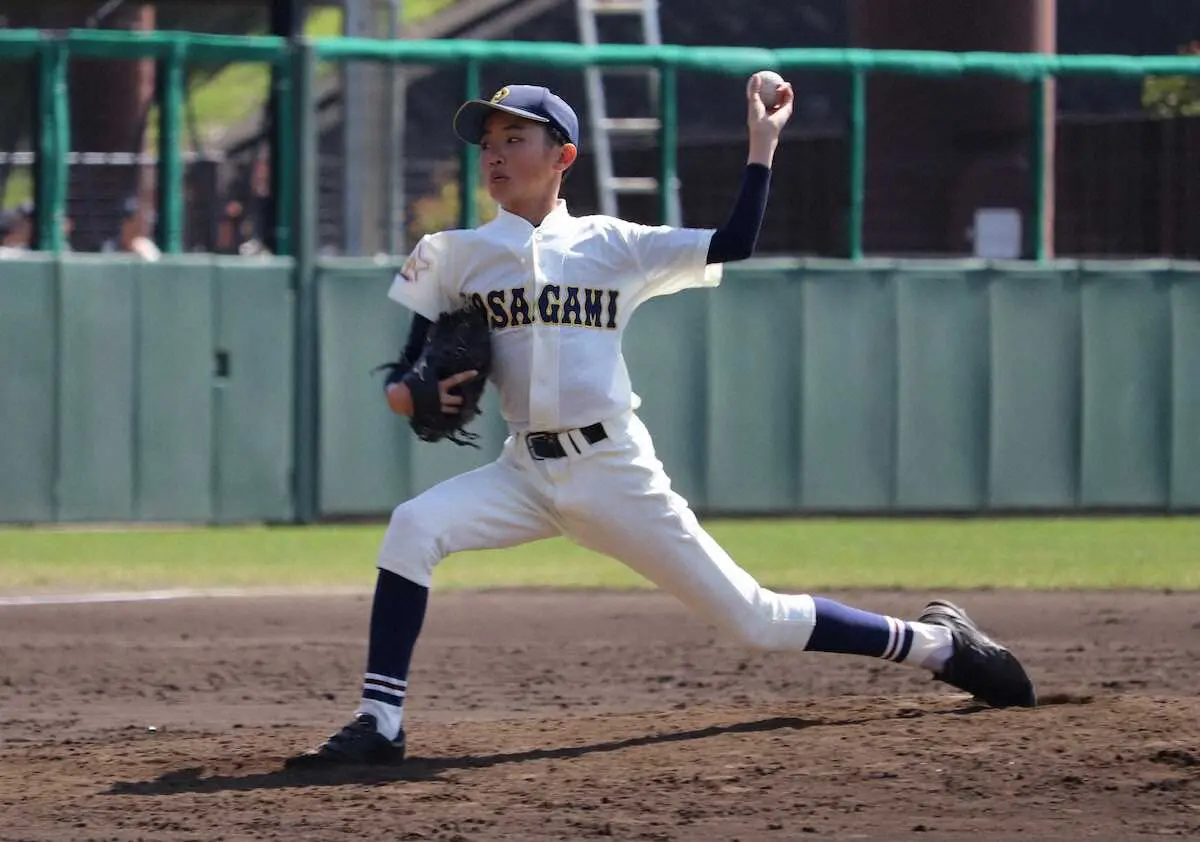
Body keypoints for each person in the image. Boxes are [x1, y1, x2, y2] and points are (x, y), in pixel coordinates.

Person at [287, 77, 1036, 768]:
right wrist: (411, 395)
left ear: (563, 157)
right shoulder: (453, 254)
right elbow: (408, 372)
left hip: (614, 471)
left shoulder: (613, 245)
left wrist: (762, 143)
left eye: (515, 138)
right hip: (524, 472)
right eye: (488, 142)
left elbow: (733, 243)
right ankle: (380, 720)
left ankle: (939, 645)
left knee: (758, 622)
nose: (495, 153)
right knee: (414, 526)